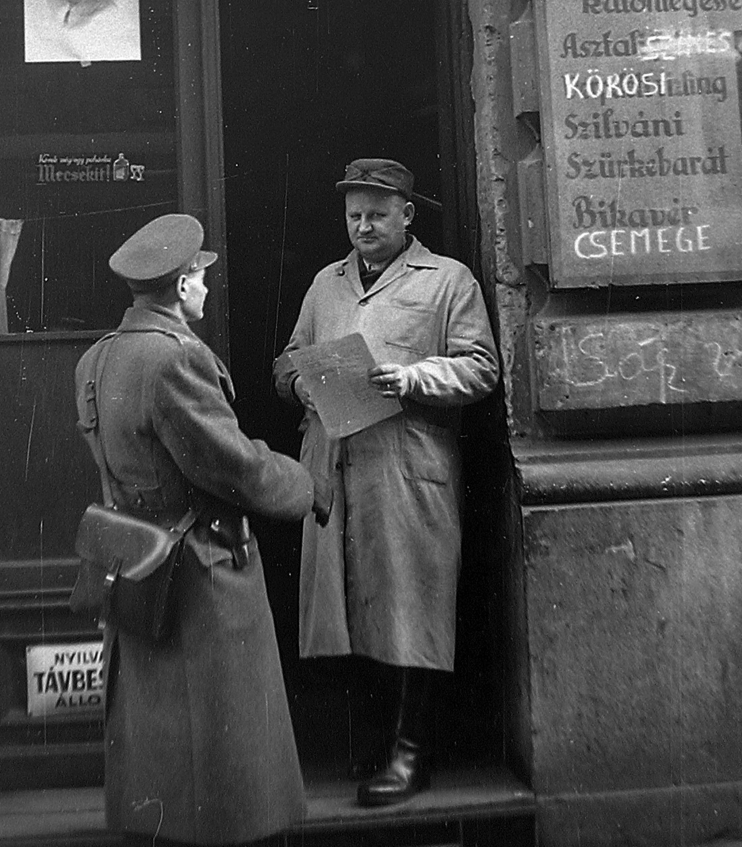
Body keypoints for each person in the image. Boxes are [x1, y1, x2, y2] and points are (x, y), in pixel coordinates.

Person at [76, 213, 330, 846]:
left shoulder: (96, 359)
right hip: (203, 566)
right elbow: (233, 466)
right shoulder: (176, 359)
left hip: (137, 562)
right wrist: (307, 486)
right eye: (201, 277)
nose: (208, 289)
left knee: (160, 751)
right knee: (227, 770)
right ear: (183, 285)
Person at [273, 158, 500, 807]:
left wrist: (409, 378)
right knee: (349, 610)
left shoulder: (447, 280)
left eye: (376, 213)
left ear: (406, 215)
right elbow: (286, 362)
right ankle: (374, 742)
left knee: (408, 611)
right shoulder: (325, 283)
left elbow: (480, 370)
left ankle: (411, 754)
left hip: (406, 468)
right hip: (334, 469)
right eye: (353, 215)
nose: (362, 226)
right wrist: (299, 380)